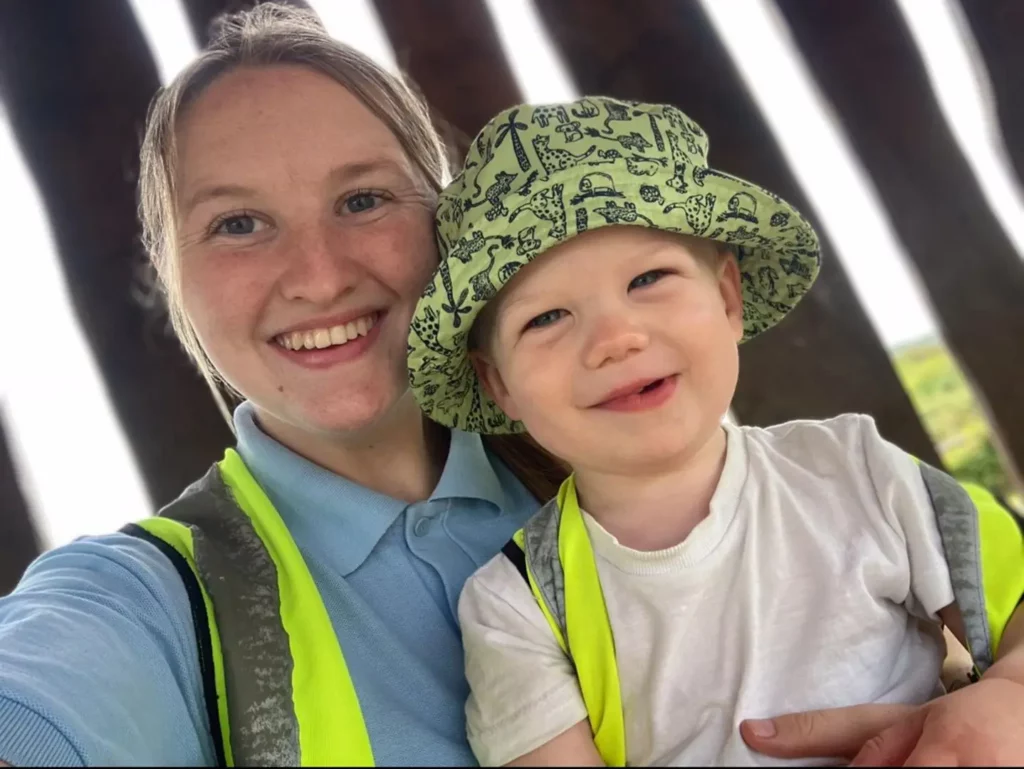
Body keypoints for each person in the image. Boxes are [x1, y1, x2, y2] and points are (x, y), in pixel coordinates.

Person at [0, 5, 567, 765]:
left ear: (443, 220)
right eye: (239, 223)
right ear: (173, 277)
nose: (320, 276)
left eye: (362, 200)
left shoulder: (614, 467)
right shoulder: (147, 600)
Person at [406, 96, 1024, 766]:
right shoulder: (519, 605)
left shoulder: (856, 469)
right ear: (497, 382)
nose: (616, 338)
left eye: (648, 278)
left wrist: (1009, 695)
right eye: (546, 317)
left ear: (727, 297)